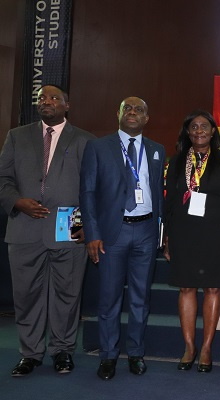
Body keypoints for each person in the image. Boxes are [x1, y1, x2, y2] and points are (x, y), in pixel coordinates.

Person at [0, 85, 94, 377]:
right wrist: (16, 201)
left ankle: (63, 351)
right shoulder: (17, 136)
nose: (47, 102)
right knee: (26, 295)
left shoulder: (86, 140)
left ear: (67, 105)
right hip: (24, 229)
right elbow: (3, 178)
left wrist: (85, 225)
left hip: (69, 228)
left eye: (54, 98)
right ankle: (30, 354)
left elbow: (91, 189)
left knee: (67, 295)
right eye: (42, 98)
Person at [79, 97, 166, 380]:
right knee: (109, 299)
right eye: (126, 108)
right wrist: (92, 233)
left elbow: (157, 193)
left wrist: (161, 234)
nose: (132, 113)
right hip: (110, 234)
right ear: (117, 114)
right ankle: (108, 356)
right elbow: (88, 193)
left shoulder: (156, 150)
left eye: (138, 109)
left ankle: (137, 353)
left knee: (141, 298)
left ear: (146, 118)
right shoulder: (98, 147)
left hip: (146, 232)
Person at [163, 110, 220, 373]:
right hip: (183, 233)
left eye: (204, 126)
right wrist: (168, 237)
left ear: (213, 131)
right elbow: (169, 203)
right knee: (185, 288)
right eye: (193, 127)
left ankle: (206, 348)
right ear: (187, 132)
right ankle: (189, 347)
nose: (199, 131)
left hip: (216, 235)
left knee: (212, 289)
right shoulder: (176, 161)